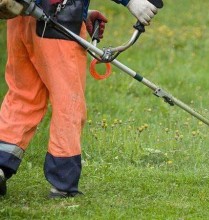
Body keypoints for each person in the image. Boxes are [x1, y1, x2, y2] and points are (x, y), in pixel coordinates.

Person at [0, 0, 158, 198]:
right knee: (68, 104)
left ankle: (0, 165)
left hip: (20, 16)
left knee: (23, 97)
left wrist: (81, 13)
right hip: (56, 24)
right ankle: (62, 184)